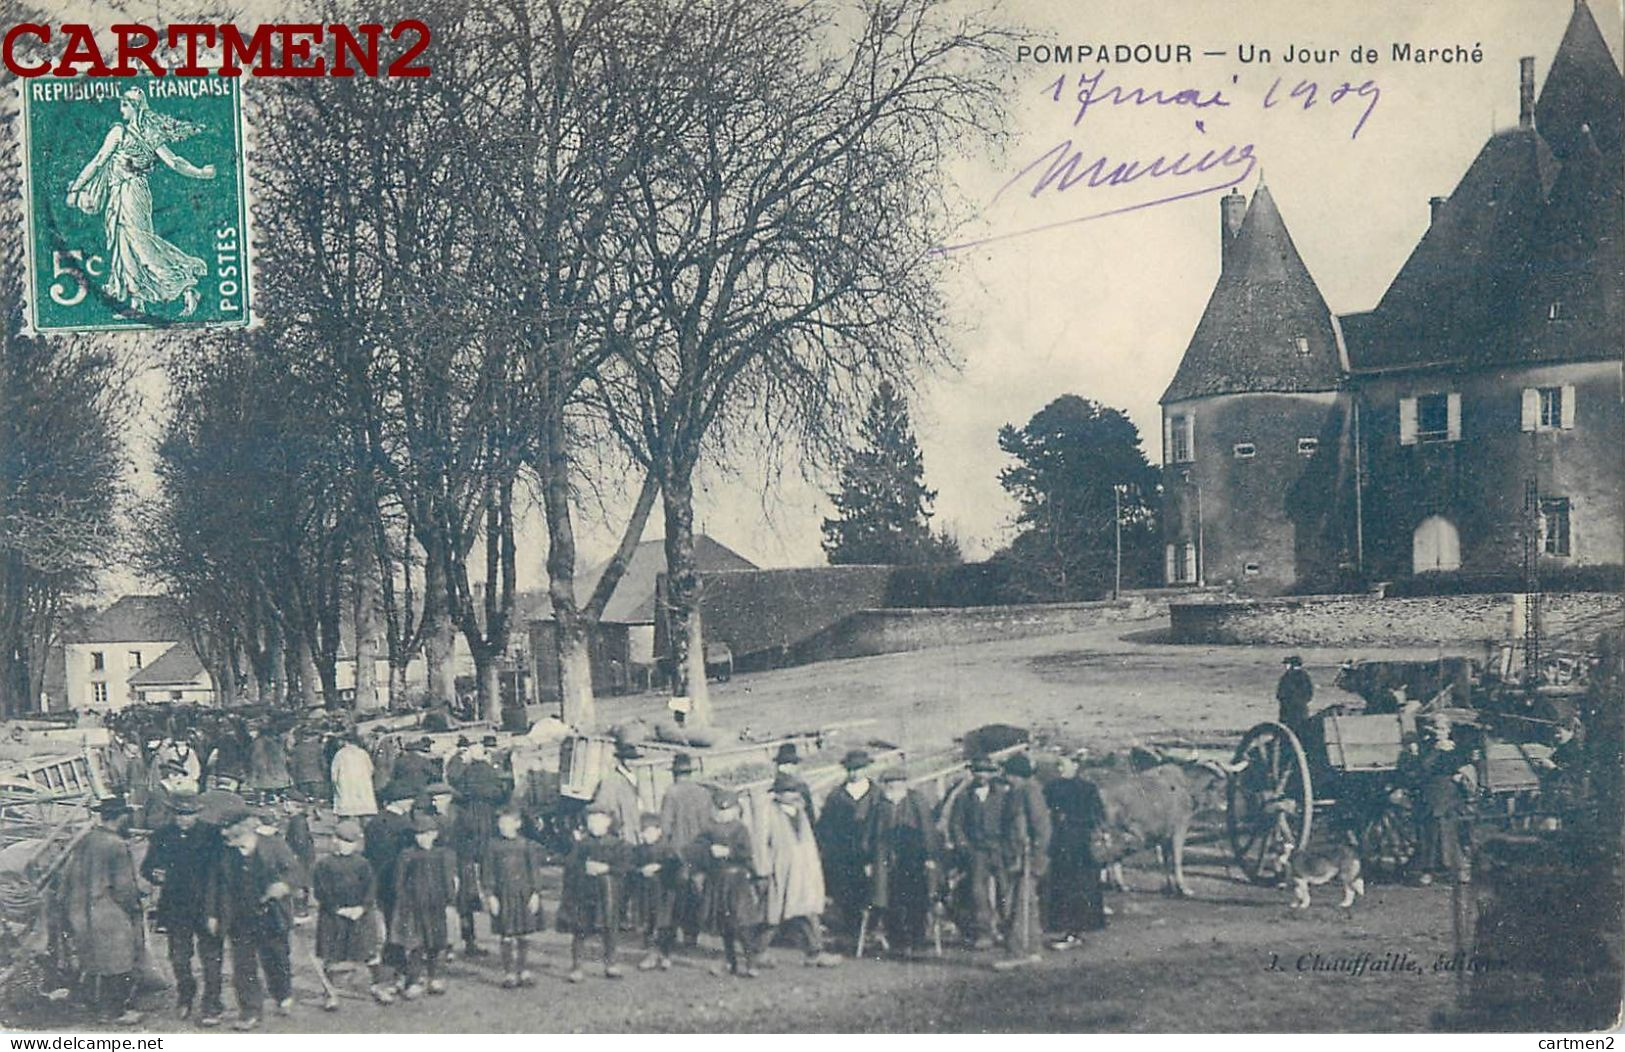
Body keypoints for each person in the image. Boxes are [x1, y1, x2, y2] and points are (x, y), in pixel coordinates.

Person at [64, 87, 214, 315]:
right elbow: (174, 162)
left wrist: (76, 188)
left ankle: (185, 286)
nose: (120, 109)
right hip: (125, 192)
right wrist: (201, 172)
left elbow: (97, 163)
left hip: (131, 194)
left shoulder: (121, 133)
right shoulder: (146, 134)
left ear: (135, 108)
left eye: (125, 104)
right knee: (124, 244)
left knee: (139, 243)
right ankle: (137, 301)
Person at [55, 795, 145, 1025]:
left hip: (81, 908)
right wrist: (135, 907)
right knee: (119, 958)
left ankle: (89, 1003)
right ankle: (114, 1011)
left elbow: (68, 875)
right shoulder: (116, 845)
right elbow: (124, 887)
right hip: (107, 909)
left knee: (92, 957)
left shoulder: (87, 839)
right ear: (121, 817)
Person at [140, 790, 227, 1023]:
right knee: (179, 958)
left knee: (211, 958)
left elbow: (223, 874)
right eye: (179, 814)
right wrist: (155, 875)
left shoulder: (213, 835)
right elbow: (147, 867)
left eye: (188, 814)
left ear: (197, 814)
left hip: (207, 907)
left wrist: (217, 908)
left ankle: (212, 1005)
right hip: (176, 908)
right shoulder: (162, 836)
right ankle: (186, 996)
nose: (183, 819)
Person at [216, 805, 303, 1030]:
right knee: (243, 966)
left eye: (232, 836)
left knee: (276, 959)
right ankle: (250, 1011)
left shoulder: (274, 846)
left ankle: (282, 994)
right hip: (240, 918)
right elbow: (219, 887)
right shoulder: (226, 853)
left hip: (271, 916)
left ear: (245, 831)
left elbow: (296, 872)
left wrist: (283, 885)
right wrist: (215, 914)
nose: (227, 839)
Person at [760, 773, 841, 967]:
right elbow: (761, 842)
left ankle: (815, 952)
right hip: (781, 870)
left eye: (794, 791)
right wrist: (763, 868)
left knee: (808, 910)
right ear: (777, 794)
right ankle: (757, 951)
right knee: (774, 914)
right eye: (787, 791)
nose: (792, 795)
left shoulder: (801, 813)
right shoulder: (769, 812)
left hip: (803, 870)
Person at [861, 768, 940, 959]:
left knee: (914, 898)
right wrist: (867, 859)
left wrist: (929, 856)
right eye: (889, 783)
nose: (893, 787)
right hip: (884, 859)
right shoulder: (879, 804)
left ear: (904, 784)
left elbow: (928, 829)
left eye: (897, 783)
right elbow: (869, 833)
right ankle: (896, 939)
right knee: (887, 898)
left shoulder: (916, 801)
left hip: (912, 858)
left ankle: (917, 940)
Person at [310, 820, 389, 1008]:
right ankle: (330, 993)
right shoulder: (324, 865)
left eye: (351, 842)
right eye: (343, 841)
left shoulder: (363, 864)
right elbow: (321, 891)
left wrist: (362, 907)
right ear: (334, 840)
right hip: (334, 915)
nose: (347, 846)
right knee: (331, 955)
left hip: (360, 914)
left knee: (369, 951)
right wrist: (337, 908)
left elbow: (371, 888)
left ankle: (378, 985)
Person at [557, 801, 633, 982]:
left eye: (598, 820)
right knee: (580, 929)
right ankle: (576, 966)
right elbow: (569, 865)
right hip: (584, 893)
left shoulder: (618, 844)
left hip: (608, 893)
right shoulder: (581, 844)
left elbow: (625, 866)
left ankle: (611, 963)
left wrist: (606, 867)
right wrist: (583, 867)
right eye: (590, 820)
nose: (594, 824)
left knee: (609, 928)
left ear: (608, 822)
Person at [688, 788, 759, 978]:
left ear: (736, 810)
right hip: (716, 880)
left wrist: (729, 852)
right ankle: (730, 962)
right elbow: (695, 851)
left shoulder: (740, 829)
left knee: (742, 921)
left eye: (727, 810)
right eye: (719, 810)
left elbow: (747, 853)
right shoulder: (707, 830)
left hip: (737, 881)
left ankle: (751, 961)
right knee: (723, 923)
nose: (723, 814)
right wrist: (709, 851)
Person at [1042, 751, 1106, 950]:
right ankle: (1067, 931)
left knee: (1080, 888)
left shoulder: (1088, 789)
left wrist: (1071, 820)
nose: (1059, 768)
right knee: (1062, 887)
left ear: (1076, 766)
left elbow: (1099, 816)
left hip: (1081, 847)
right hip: (1060, 845)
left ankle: (1074, 933)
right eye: (1058, 764)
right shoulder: (1051, 787)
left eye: (1063, 764)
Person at [390, 813, 457, 999]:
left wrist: (450, 902)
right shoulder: (407, 855)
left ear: (435, 834)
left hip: (436, 906)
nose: (423, 838)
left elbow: (449, 881)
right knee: (415, 945)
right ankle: (413, 980)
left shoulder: (443, 854)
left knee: (437, 943)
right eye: (419, 834)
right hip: (413, 907)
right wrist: (404, 903)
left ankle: (434, 977)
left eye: (427, 834)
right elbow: (398, 882)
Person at [482, 805, 547, 989]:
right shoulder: (492, 846)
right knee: (506, 935)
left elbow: (534, 871)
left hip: (523, 895)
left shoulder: (526, 845)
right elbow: (488, 873)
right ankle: (509, 972)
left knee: (524, 934)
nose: (503, 826)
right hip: (503, 896)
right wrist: (490, 895)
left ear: (517, 824)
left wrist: (535, 893)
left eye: (507, 823)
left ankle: (523, 969)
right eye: (500, 823)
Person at [995, 753, 1051, 967]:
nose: (1007, 778)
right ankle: (1031, 949)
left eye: (1009, 774)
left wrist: (1037, 856)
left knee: (1020, 905)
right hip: (1015, 857)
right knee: (1022, 903)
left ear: (1016, 775)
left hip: (1027, 858)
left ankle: (1019, 953)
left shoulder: (1030, 791)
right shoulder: (1016, 792)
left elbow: (1042, 828)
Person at [946, 756, 1006, 949]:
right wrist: (963, 845)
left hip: (999, 848)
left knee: (1005, 889)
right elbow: (956, 824)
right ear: (973, 773)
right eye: (978, 771)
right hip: (976, 851)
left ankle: (1007, 930)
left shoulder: (1002, 795)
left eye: (986, 772)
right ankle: (984, 931)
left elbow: (1011, 820)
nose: (982, 776)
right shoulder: (964, 797)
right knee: (977, 891)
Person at [816, 748, 876, 942]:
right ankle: (851, 932)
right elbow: (825, 827)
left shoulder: (876, 794)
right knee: (846, 894)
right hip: (843, 855)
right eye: (850, 769)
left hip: (869, 853)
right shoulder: (836, 795)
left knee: (871, 892)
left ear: (866, 769)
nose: (854, 773)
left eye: (858, 768)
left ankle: (870, 930)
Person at [365, 782, 420, 989]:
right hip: (399, 882)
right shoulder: (404, 825)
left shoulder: (374, 822)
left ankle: (393, 970)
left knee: (388, 924)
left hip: (379, 881)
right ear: (403, 801)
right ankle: (402, 970)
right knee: (403, 927)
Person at [658, 752, 711, 947]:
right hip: (698, 851)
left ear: (675, 773)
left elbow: (665, 826)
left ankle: (670, 933)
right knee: (695, 893)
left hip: (678, 851)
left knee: (673, 894)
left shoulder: (671, 793)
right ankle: (692, 934)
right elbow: (708, 825)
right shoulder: (704, 793)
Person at [630, 813, 683, 971]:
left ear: (659, 831)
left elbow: (676, 868)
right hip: (645, 894)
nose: (647, 836)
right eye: (644, 832)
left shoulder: (669, 849)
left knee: (665, 924)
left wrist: (660, 868)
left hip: (665, 893)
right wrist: (640, 870)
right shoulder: (638, 850)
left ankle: (666, 954)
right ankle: (651, 954)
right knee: (648, 923)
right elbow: (629, 867)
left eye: (651, 831)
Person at [592, 740, 643, 844]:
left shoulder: (631, 780)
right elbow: (603, 809)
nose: (633, 763)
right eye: (630, 759)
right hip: (618, 837)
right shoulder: (611, 781)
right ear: (623, 761)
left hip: (630, 835)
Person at [331, 735, 378, 818]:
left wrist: (335, 784)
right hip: (362, 784)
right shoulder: (363, 753)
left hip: (346, 784)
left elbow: (334, 772)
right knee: (363, 807)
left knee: (347, 807)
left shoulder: (340, 754)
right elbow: (371, 769)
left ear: (346, 742)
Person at [248, 725, 293, 803]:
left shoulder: (259, 742)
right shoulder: (275, 742)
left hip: (264, 764)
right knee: (272, 781)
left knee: (264, 782)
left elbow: (256, 755)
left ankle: (266, 797)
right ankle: (272, 796)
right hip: (274, 765)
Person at [771, 743, 817, 817]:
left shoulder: (802, 788)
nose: (794, 768)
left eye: (794, 764)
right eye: (785, 764)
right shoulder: (783, 781)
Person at [1277, 656, 1314, 739]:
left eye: (1287, 664)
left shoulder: (1287, 677)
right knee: (1301, 730)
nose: (1285, 666)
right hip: (1302, 709)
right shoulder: (1305, 676)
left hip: (1289, 710)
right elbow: (1310, 694)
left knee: (1287, 732)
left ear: (1291, 665)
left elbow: (1280, 694)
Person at [290, 730, 330, 805]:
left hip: (302, 777)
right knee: (316, 799)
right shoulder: (318, 748)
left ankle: (307, 813)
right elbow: (323, 763)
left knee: (304, 799)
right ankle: (316, 812)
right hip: (316, 777)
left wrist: (294, 777)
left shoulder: (297, 748)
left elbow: (293, 765)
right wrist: (325, 774)